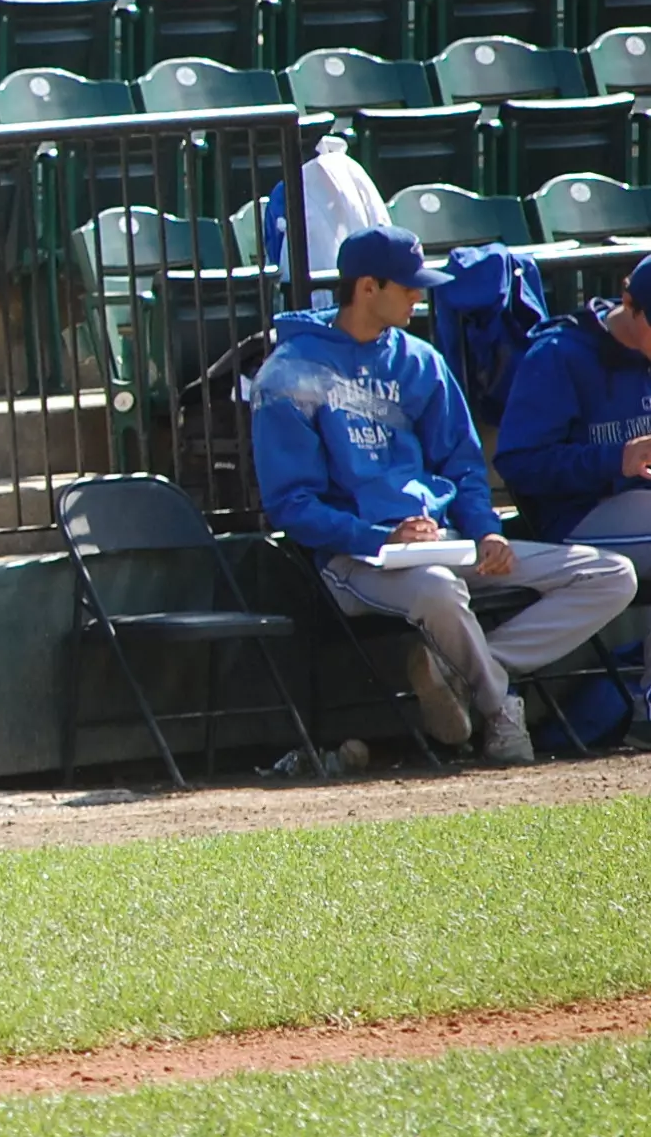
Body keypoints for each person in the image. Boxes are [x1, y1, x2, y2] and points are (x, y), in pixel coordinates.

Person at [256, 225, 635, 764]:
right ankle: (500, 707)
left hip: (449, 542)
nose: (419, 296)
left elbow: (462, 464)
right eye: (408, 286)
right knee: (436, 588)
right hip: (356, 557)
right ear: (368, 287)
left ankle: (460, 672)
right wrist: (378, 536)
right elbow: (292, 505)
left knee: (610, 575)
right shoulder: (288, 373)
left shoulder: (420, 359)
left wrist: (484, 530)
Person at [495, 254, 651, 569]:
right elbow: (517, 464)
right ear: (628, 302)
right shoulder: (558, 354)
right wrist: (617, 459)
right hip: (578, 517)